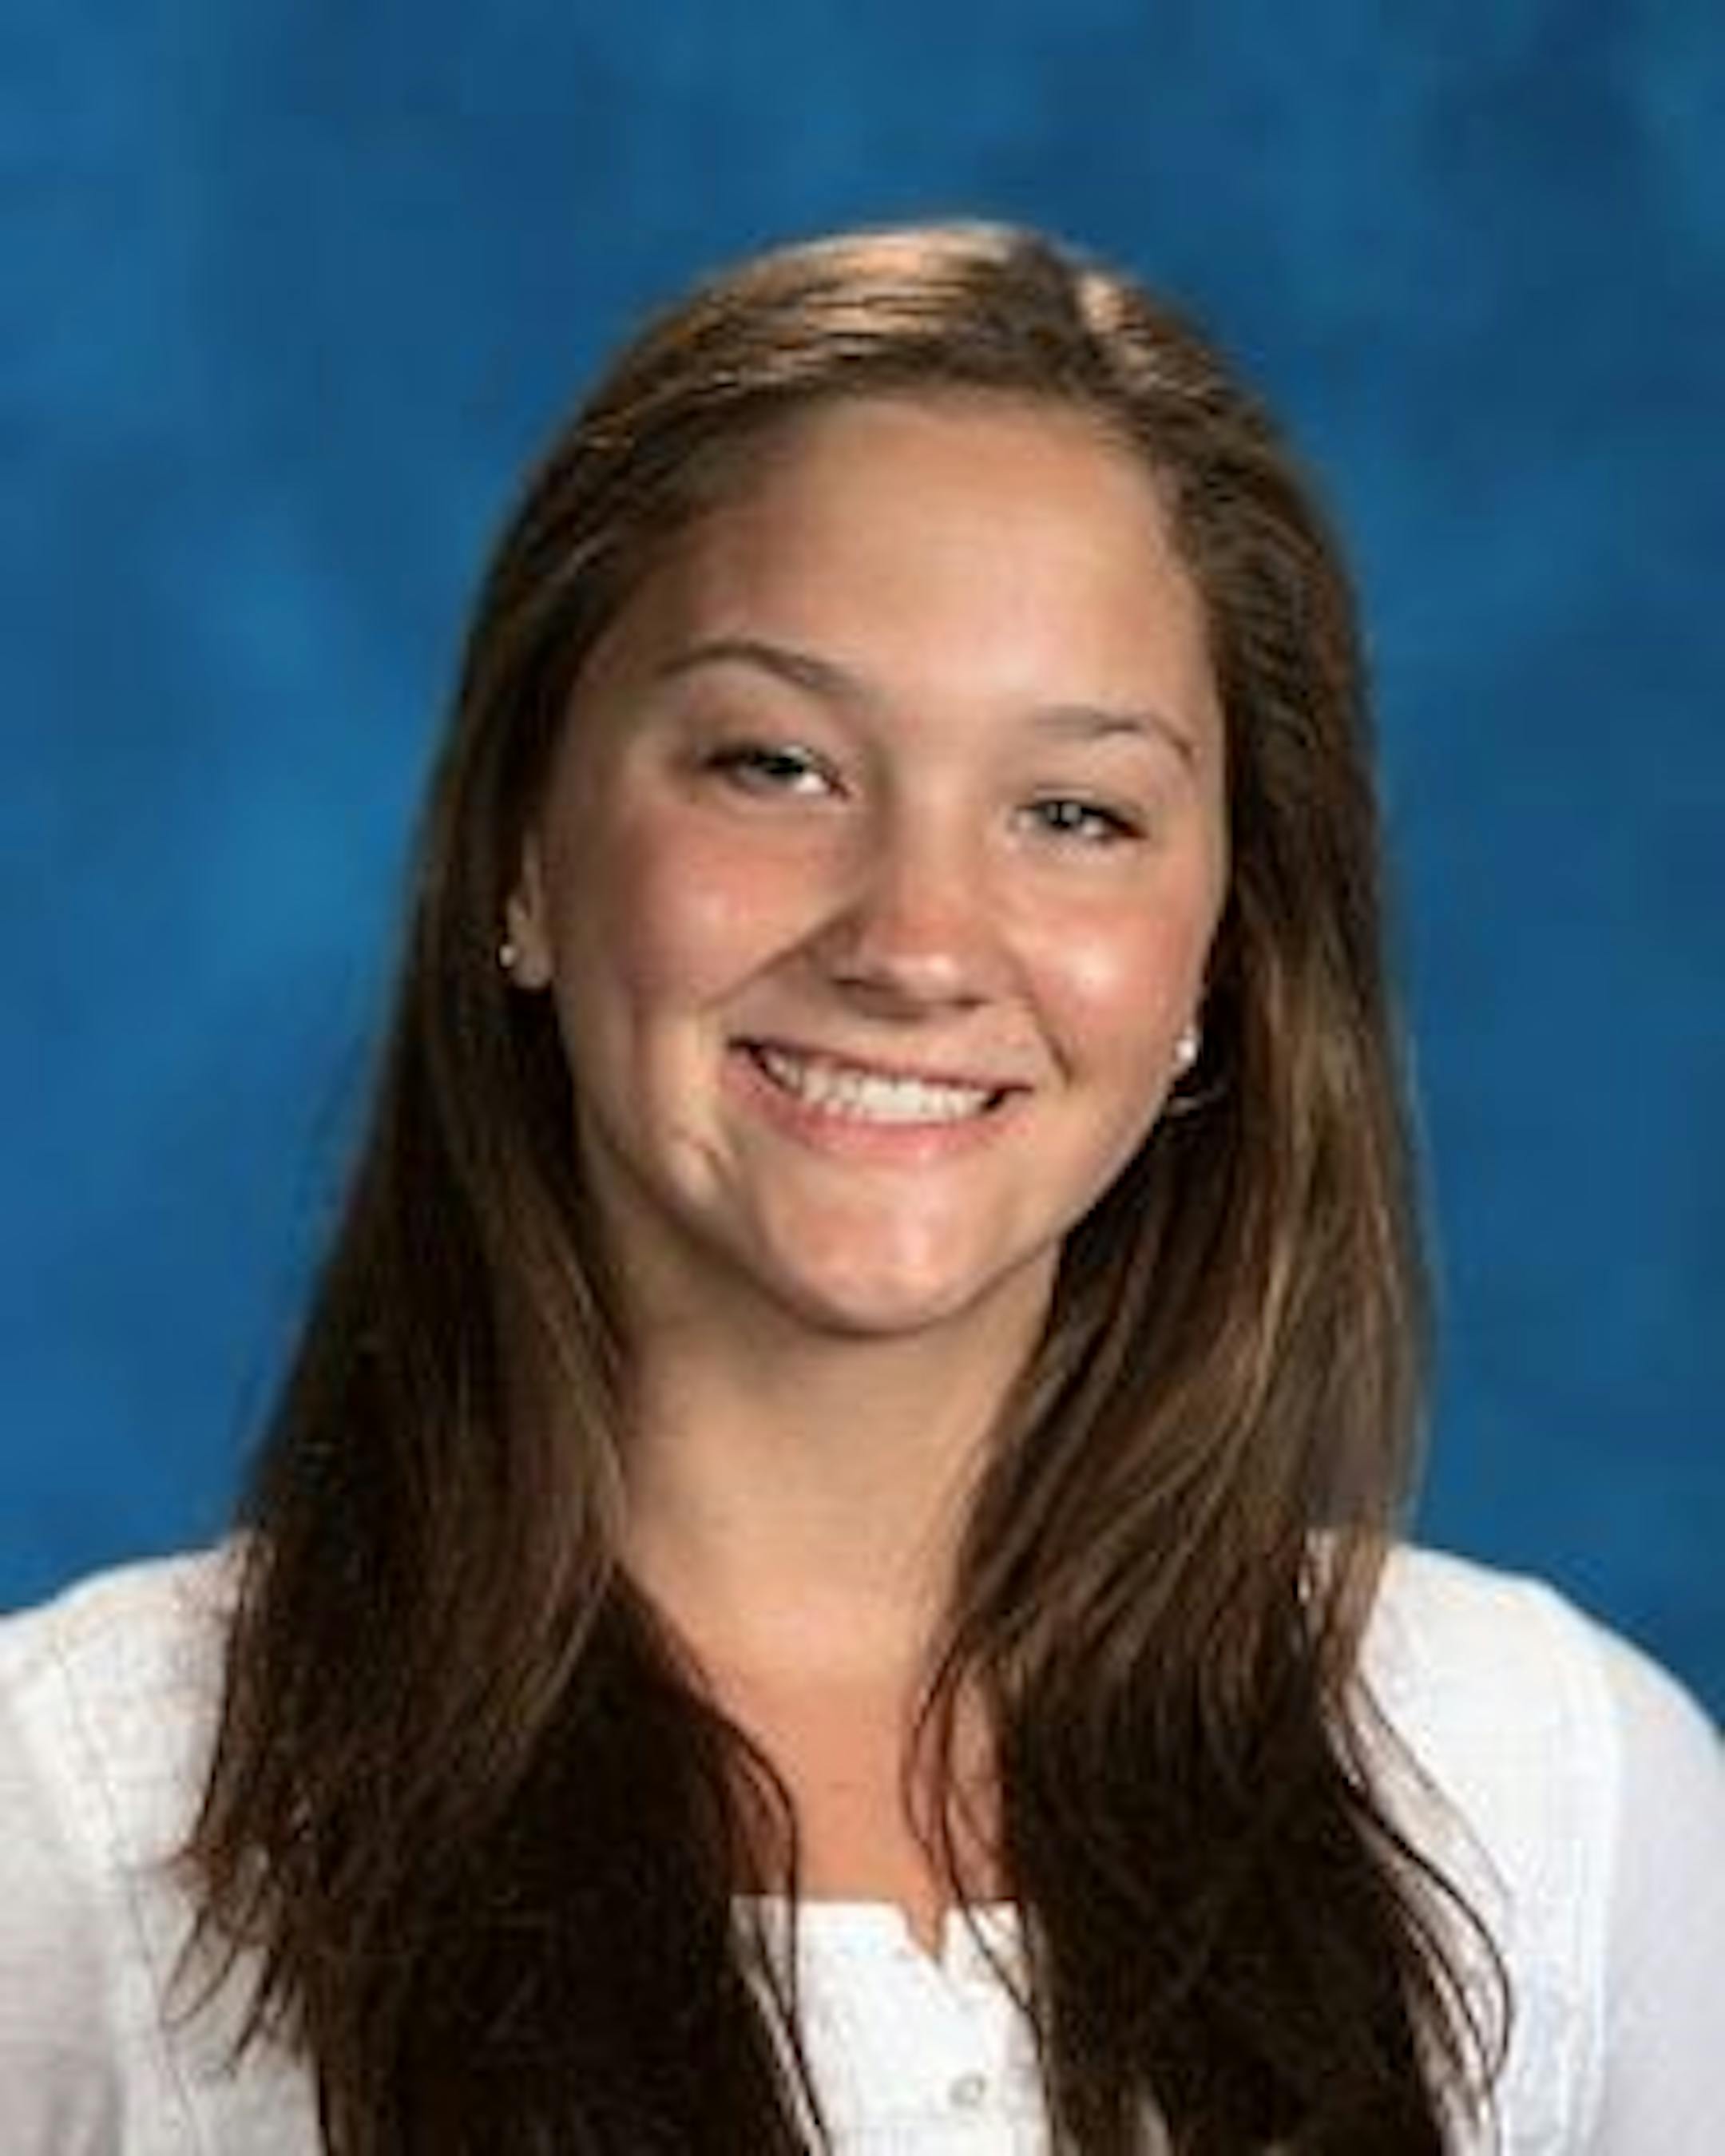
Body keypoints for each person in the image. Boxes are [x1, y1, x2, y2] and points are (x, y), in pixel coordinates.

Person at [1, 222, 1719, 2155]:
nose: (916, 940)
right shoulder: (82, 1822)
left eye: (1075, 813)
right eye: (778, 765)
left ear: (1217, 962)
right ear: (523, 862)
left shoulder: (1553, 1791)